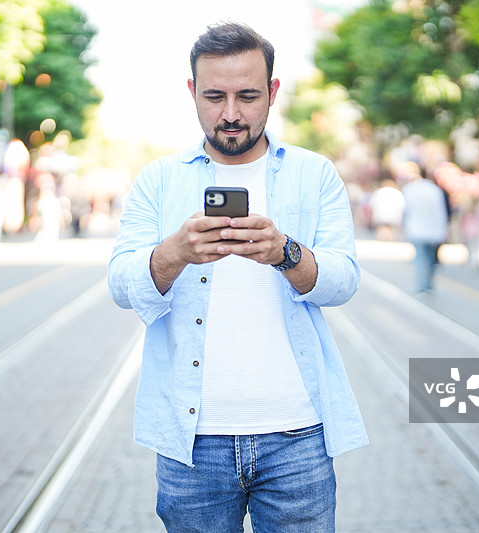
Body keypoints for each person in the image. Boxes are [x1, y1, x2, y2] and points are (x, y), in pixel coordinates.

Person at [108, 22, 367, 532]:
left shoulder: (314, 174)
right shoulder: (159, 179)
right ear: (192, 93)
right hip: (191, 443)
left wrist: (285, 252)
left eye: (248, 96)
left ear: (272, 92)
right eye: (214, 96)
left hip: (297, 436)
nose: (230, 113)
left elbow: (344, 281)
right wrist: (175, 252)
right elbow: (121, 284)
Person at [402, 171, 449, 293]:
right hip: (433, 231)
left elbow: (405, 211)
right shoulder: (435, 190)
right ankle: (427, 284)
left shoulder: (409, 189)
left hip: (415, 230)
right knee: (431, 259)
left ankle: (423, 286)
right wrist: (442, 231)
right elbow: (440, 212)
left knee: (421, 258)